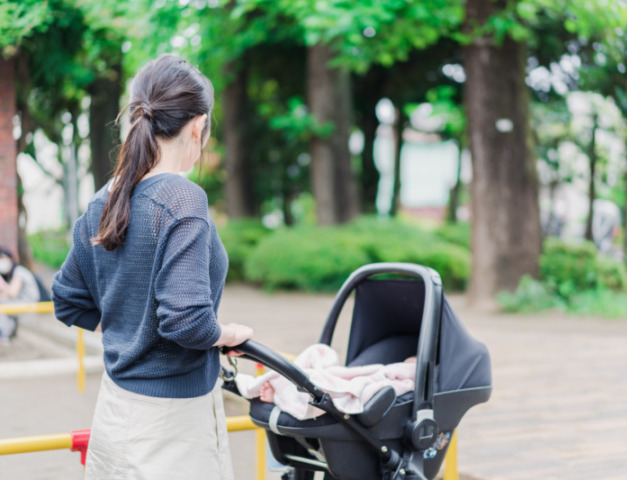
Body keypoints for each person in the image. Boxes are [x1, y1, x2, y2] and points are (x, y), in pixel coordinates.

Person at [51, 55, 253, 480]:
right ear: (198, 126)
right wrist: (226, 335)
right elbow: (186, 321)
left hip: (116, 412)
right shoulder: (183, 201)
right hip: (172, 429)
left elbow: (67, 300)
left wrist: (127, 327)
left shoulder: (105, 199)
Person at [234, 343, 416, 420]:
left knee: (328, 384)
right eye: (409, 361)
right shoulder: (395, 367)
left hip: (371, 381)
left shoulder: (412, 378)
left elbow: (405, 380)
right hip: (360, 375)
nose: (409, 364)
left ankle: (286, 391)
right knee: (319, 362)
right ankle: (287, 387)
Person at [0, 248, 41, 345]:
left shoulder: (19, 271)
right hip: (21, 303)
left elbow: (12, 293)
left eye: (3, 258)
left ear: (11, 259)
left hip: (30, 304)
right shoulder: (11, 274)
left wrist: (2, 284)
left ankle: (4, 336)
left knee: (2, 308)